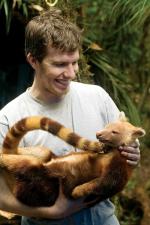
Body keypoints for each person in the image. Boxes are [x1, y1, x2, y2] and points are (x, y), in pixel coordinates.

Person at [0, 8, 140, 225]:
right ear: (33, 60)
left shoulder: (97, 96)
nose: (72, 73)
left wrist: (131, 155)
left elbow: (123, 151)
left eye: (74, 62)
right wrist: (54, 212)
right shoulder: (10, 116)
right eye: (59, 64)